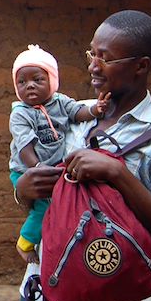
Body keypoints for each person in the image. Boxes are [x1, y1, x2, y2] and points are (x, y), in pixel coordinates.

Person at [13, 11, 151, 301]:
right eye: (92, 54)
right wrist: (24, 191)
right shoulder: (73, 115)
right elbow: (48, 201)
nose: (93, 66)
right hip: (39, 296)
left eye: (107, 58)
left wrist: (118, 174)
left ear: (141, 66)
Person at [9, 44, 109, 263]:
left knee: (58, 206)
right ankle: (25, 243)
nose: (30, 86)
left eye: (37, 79)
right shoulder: (20, 114)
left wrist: (95, 110)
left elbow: (77, 112)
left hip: (51, 170)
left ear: (52, 81)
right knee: (45, 206)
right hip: (26, 170)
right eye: (22, 82)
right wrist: (36, 168)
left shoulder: (60, 102)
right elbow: (25, 145)